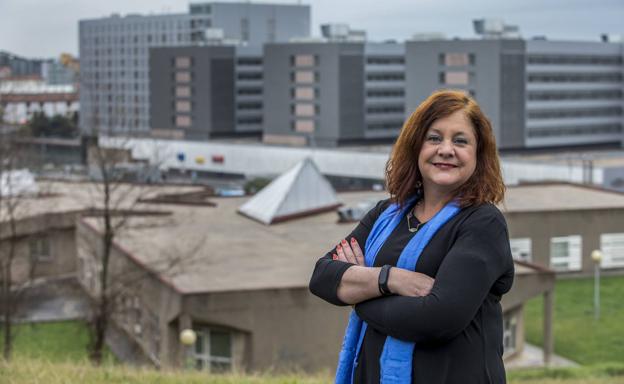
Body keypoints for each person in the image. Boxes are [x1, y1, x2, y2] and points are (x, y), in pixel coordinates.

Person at [309, 90, 514, 384]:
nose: (446, 149)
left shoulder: (482, 224)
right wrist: (389, 279)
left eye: (460, 140)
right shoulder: (386, 214)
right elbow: (322, 277)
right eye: (434, 138)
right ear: (416, 147)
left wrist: (359, 294)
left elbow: (437, 319)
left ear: (478, 155)